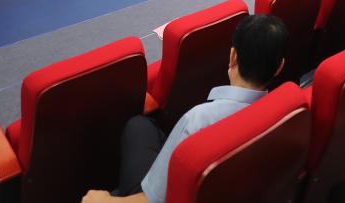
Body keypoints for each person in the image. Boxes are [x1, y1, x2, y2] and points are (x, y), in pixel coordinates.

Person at [82, 14, 288, 203]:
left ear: (233, 56)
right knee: (145, 129)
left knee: (137, 125)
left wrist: (103, 201)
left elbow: (152, 200)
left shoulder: (198, 121)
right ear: (279, 66)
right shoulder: (285, 112)